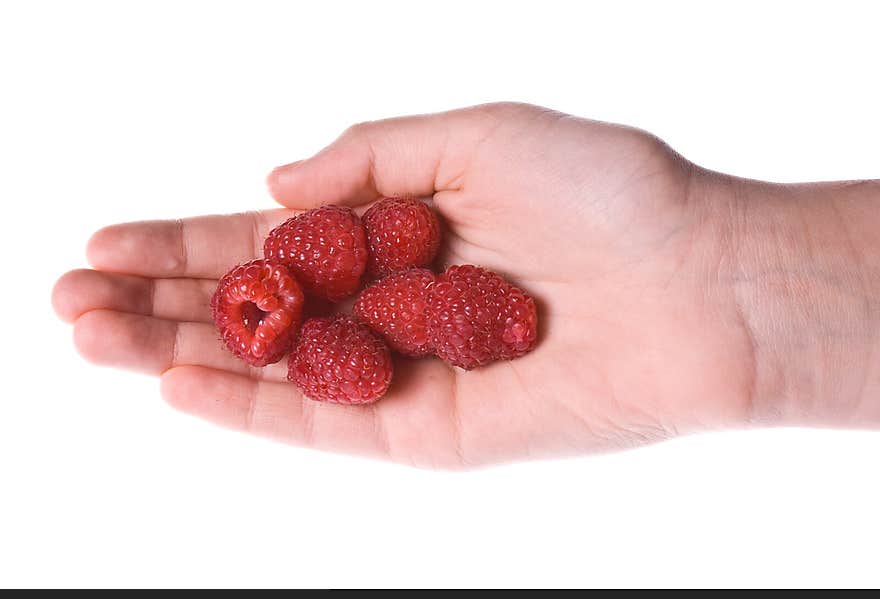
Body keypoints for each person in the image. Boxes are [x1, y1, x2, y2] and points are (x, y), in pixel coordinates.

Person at [51, 102, 880, 468]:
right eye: (265, 310)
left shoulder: (400, 281)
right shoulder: (349, 297)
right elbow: (374, 307)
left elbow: (403, 284)